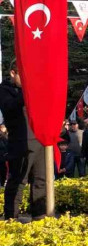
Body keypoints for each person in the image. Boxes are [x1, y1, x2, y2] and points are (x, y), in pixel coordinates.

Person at [1, 62, 49, 220]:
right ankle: (11, 217)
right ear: (13, 73)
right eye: (24, 75)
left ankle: (39, 215)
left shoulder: (32, 89)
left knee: (41, 179)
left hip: (40, 139)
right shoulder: (4, 90)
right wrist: (27, 90)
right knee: (18, 180)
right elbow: (10, 107)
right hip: (20, 141)